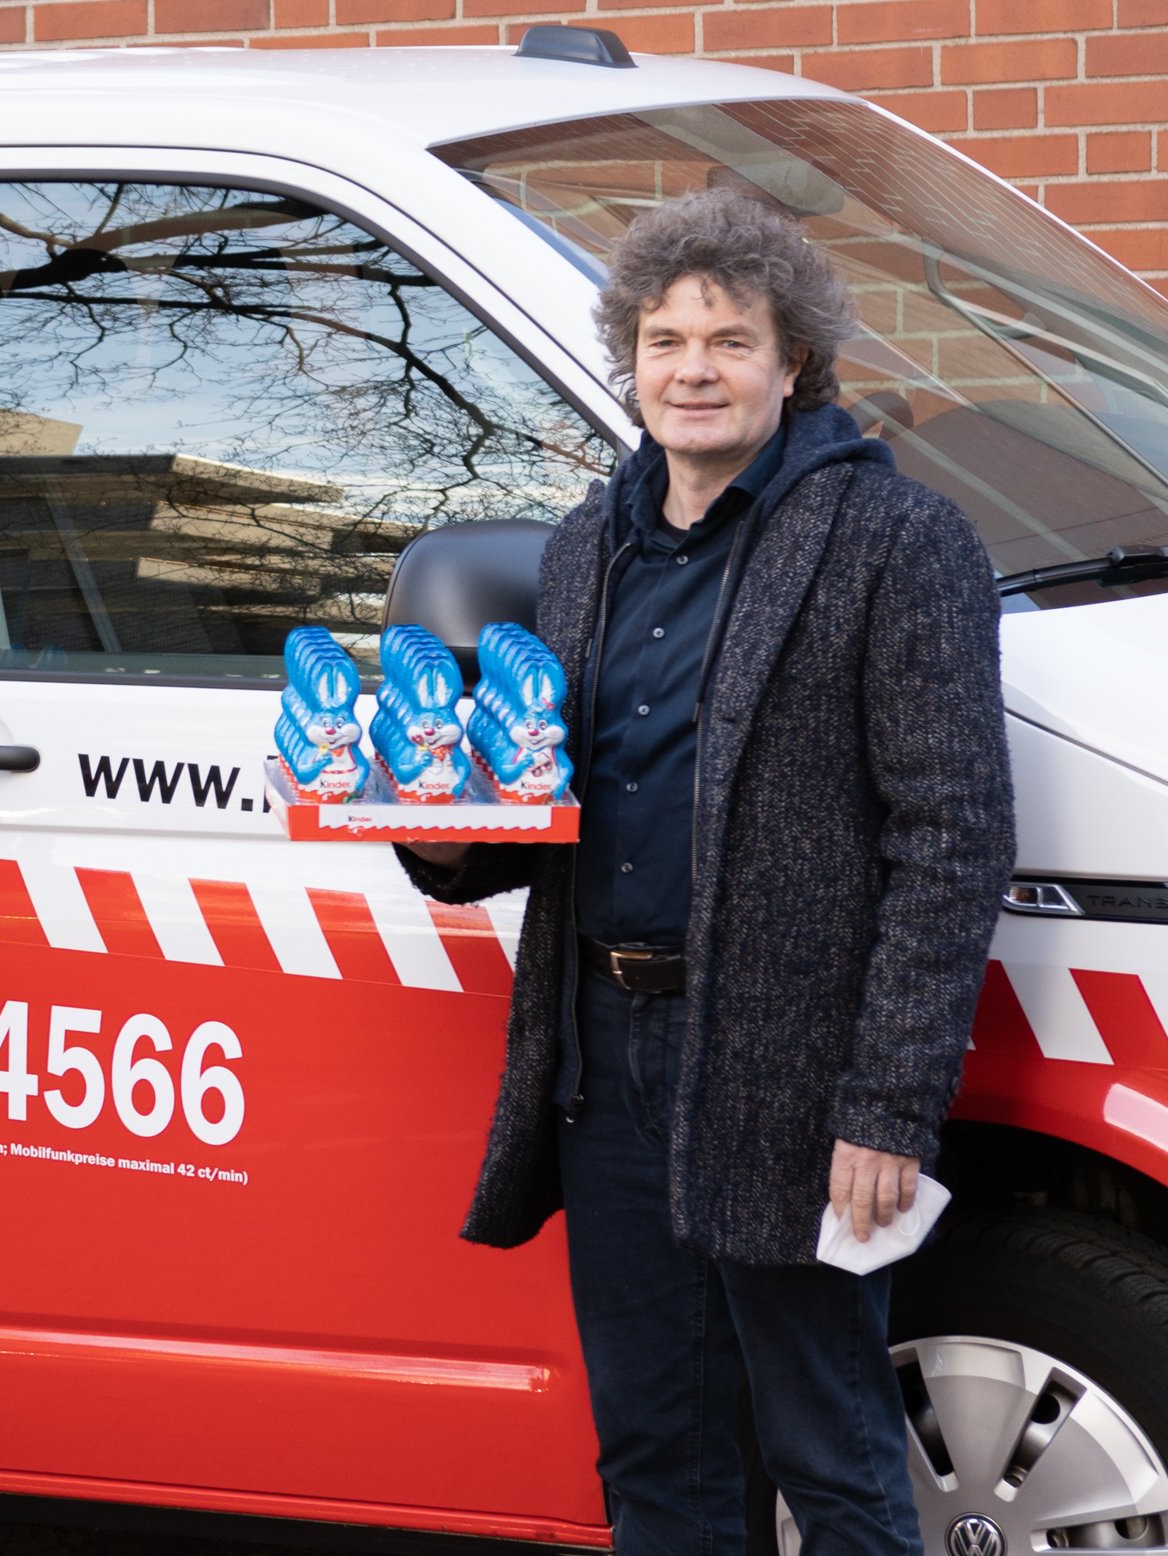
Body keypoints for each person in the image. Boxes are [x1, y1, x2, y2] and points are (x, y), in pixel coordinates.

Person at [400, 188, 1012, 1556]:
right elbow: (536, 804)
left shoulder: (897, 545)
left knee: (834, 1456)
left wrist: (889, 1107)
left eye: (729, 341)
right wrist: (437, 831)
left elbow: (951, 843)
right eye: (665, 339)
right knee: (655, 1451)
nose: (692, 368)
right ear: (630, 357)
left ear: (794, 365)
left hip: (793, 1080)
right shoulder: (583, 548)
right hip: (601, 1064)